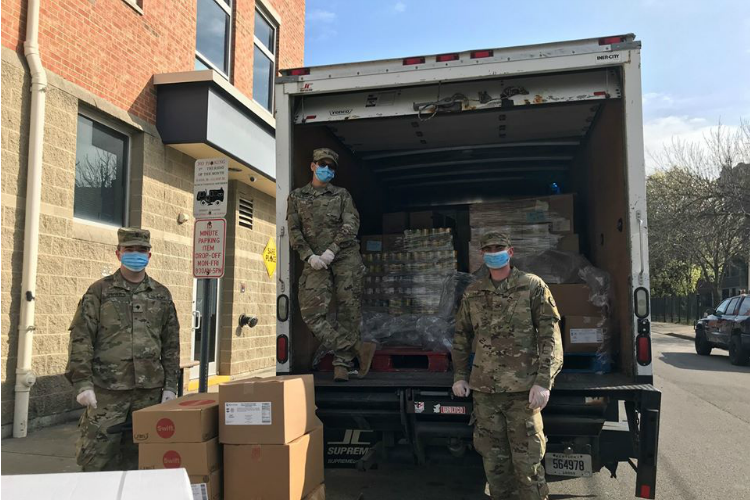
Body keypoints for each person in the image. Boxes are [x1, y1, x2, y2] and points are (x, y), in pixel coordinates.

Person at [452, 231, 563, 500]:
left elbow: (551, 336)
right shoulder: (474, 293)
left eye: (498, 247)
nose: (493, 252)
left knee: (528, 468)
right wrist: (459, 375)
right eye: (488, 249)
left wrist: (543, 381)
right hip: (485, 394)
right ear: (482, 255)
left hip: (522, 393)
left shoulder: (532, 286)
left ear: (510, 252)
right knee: (495, 467)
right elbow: (461, 335)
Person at [65, 227, 180, 471]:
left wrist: (171, 386)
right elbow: (81, 339)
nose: (136, 254)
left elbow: (171, 344)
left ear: (149, 255)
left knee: (144, 460)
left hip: (148, 393)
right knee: (97, 460)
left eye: (141, 250)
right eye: (130, 249)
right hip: (107, 393)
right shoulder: (99, 292)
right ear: (118, 253)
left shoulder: (161, 295)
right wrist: (83, 383)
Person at [286, 147, 376, 382]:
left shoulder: (342, 195)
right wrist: (309, 256)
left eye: (330, 167)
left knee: (349, 309)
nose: (326, 169)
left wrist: (331, 250)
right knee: (311, 312)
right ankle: (356, 348)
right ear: (312, 166)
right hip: (315, 259)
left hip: (344, 255)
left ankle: (342, 364)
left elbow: (351, 224)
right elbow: (293, 230)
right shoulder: (297, 196)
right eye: (321, 165)